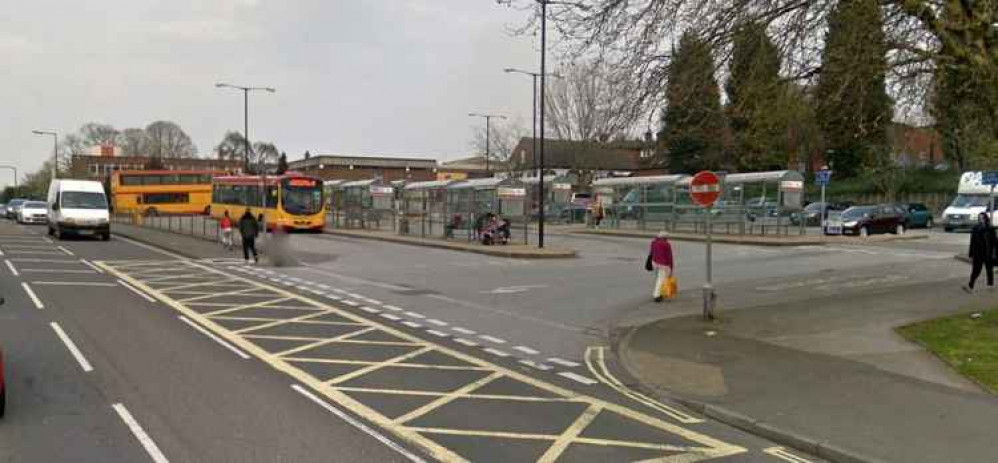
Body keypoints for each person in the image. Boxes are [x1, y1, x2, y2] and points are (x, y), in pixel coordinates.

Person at [964, 212, 997, 292]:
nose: (980, 220)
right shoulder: (975, 229)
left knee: (989, 270)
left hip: (988, 252)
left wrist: (995, 253)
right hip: (978, 253)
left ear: (985, 219)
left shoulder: (990, 229)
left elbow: (995, 242)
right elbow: (972, 242)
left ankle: (990, 285)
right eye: (979, 218)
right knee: (976, 270)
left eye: (981, 218)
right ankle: (970, 285)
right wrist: (971, 254)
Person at [650, 231, 674, 302]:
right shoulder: (666, 244)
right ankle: (657, 295)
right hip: (663, 264)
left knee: (659, 278)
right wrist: (671, 266)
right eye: (667, 237)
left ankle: (659, 293)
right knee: (661, 279)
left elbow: (651, 253)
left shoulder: (653, 243)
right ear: (665, 237)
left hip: (655, 263)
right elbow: (669, 256)